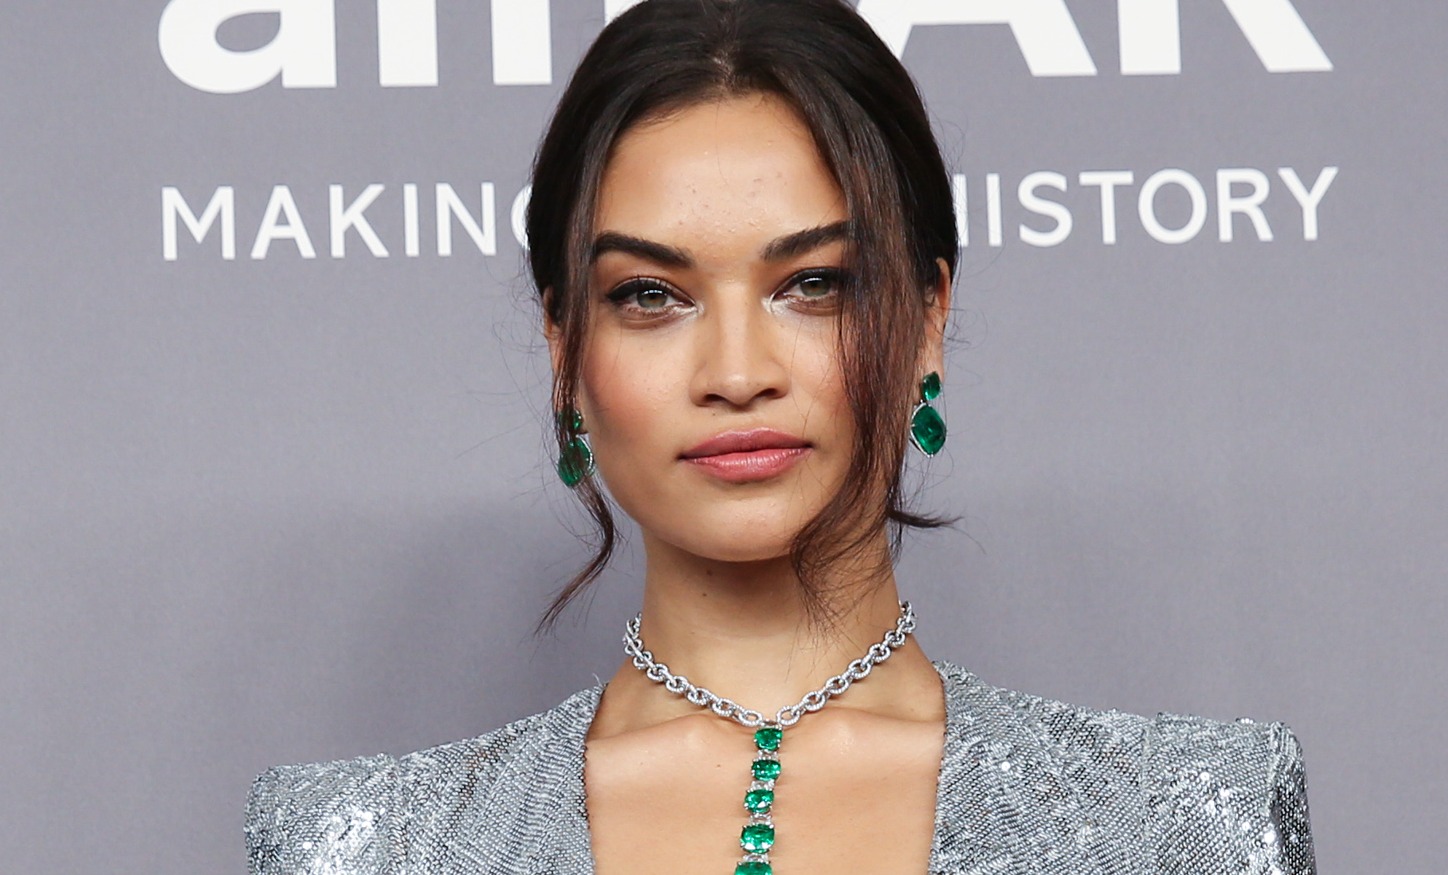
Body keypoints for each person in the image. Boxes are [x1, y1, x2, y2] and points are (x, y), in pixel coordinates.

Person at [245, 1, 1315, 873]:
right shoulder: (361, 847)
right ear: (564, 345)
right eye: (651, 294)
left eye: (813, 284)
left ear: (927, 319)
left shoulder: (1193, 825)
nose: (736, 372)